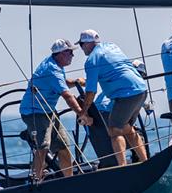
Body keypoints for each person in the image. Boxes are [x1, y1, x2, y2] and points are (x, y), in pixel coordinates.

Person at [76, 29, 148, 166]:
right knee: (126, 127)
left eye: (81, 45)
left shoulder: (91, 60)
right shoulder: (112, 46)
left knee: (114, 130)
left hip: (126, 95)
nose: (81, 48)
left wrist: (83, 112)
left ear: (87, 44)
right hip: (141, 89)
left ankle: (122, 167)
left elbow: (91, 92)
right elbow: (114, 69)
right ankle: (145, 162)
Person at [19, 39, 86, 181]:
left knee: (63, 145)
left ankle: (70, 179)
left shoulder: (55, 64)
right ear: (60, 54)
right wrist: (82, 113)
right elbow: (67, 95)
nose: (72, 56)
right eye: (70, 52)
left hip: (48, 112)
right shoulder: (52, 70)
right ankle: (36, 180)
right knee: (43, 146)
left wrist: (75, 82)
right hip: (34, 112)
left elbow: (62, 82)